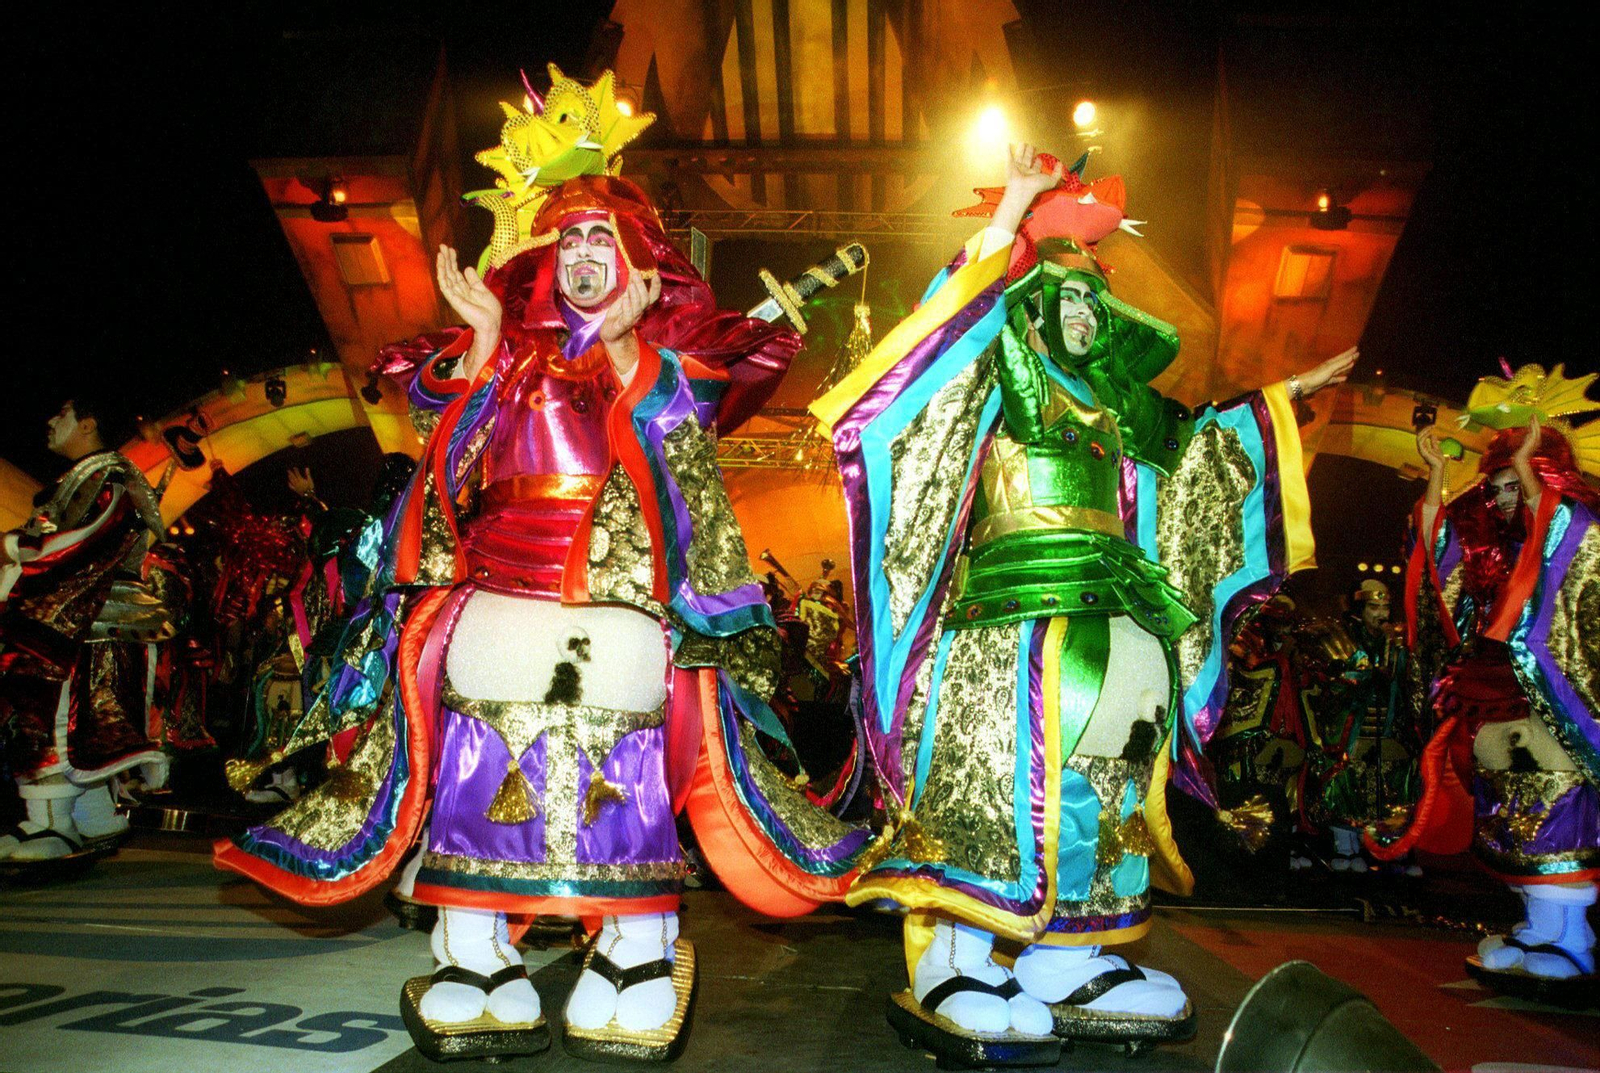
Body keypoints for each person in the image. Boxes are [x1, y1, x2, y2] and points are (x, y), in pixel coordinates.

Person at [215, 69, 869, 1063]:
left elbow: (685, 446)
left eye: (602, 237)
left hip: (620, 605)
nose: (582, 255)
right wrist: (481, 344)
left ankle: (635, 951)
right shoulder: (510, 356)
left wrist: (626, 350)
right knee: (472, 771)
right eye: (567, 240)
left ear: (639, 260)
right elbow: (445, 455)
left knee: (626, 778)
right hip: (495, 592)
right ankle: (476, 953)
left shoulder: (670, 365)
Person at [812, 143, 1355, 1062]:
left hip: (1118, 600)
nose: (1077, 311)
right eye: (1061, 296)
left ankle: (1067, 955)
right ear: (1028, 303)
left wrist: (1283, 399)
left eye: (1090, 300)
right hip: (1007, 612)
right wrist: (1013, 211)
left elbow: (1199, 446)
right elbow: (949, 334)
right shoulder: (993, 372)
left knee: (1109, 775)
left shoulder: (1118, 404)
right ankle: (957, 954)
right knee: (995, 772)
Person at [1367, 364, 1599, 1000]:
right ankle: (1537, 930)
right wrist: (1437, 478)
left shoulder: (1579, 531)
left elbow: (1566, 549)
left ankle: (1571, 940)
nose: (1502, 499)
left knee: (1555, 811)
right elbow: (1441, 558)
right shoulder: (1494, 550)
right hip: (1495, 698)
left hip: (1555, 701)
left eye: (1515, 484)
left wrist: (1529, 470)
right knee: (1507, 812)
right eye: (1496, 487)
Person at [0, 397, 168, 863]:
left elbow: (81, 540)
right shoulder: (90, 477)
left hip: (81, 623)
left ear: (89, 424)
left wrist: (13, 547)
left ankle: (51, 824)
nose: (51, 421)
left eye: (63, 415)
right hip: (89, 623)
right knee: (78, 726)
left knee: (53, 717)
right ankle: (93, 818)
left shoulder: (105, 476)